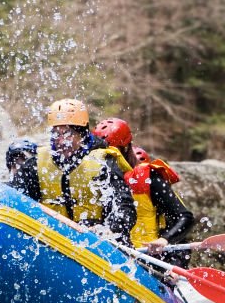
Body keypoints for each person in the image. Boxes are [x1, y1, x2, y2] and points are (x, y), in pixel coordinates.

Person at [9, 99, 137, 244]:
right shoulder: (36, 164)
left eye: (68, 133)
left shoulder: (103, 163)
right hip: (55, 241)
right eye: (57, 134)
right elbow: (14, 195)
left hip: (96, 242)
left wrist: (109, 229)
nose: (62, 141)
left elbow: (125, 208)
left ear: (82, 134)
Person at [90, 117, 195, 259]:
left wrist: (164, 240)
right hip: (108, 254)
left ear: (125, 148)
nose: (105, 157)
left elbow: (184, 217)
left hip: (147, 259)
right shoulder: (94, 175)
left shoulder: (148, 177)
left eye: (110, 151)